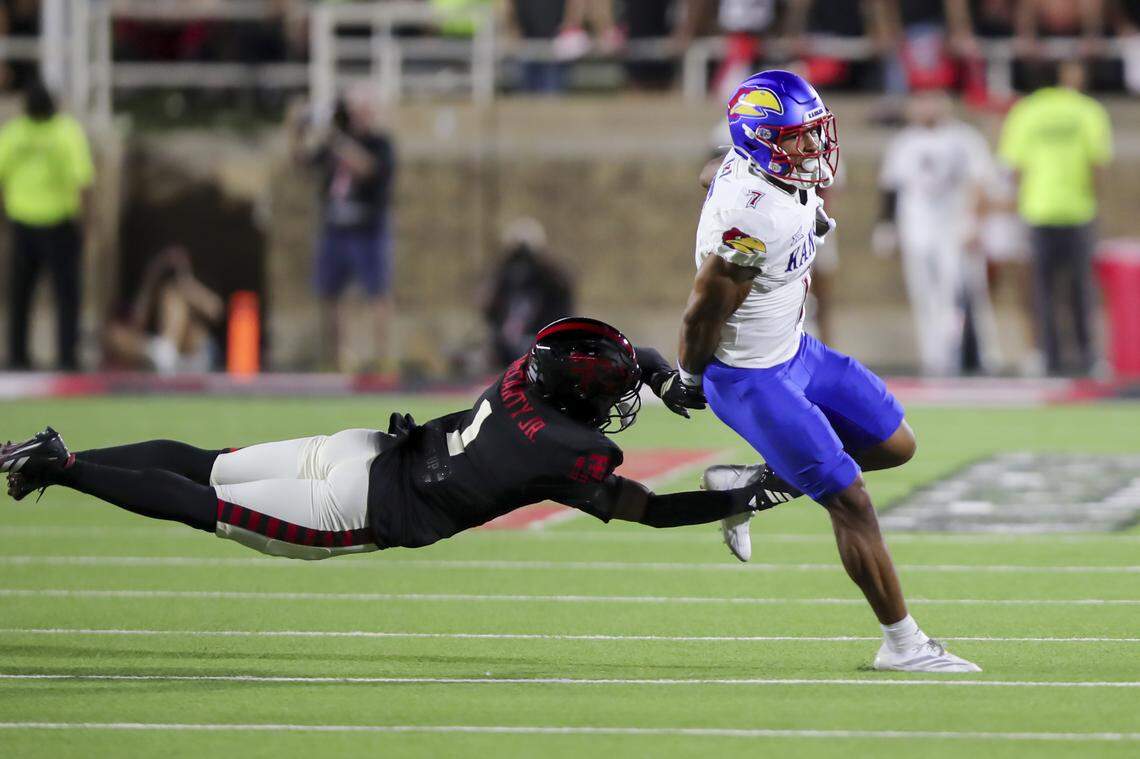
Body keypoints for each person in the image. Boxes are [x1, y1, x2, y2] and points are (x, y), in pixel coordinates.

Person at [3, 317, 785, 560]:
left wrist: (652, 370)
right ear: (581, 391)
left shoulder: (524, 373)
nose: (619, 398)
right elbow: (646, 511)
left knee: (207, 465)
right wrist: (748, 494)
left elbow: (614, 353)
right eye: (610, 388)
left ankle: (59, 448)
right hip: (354, 503)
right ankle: (64, 465)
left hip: (366, 450)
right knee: (202, 504)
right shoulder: (570, 451)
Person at [677, 70, 980, 672]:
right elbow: (701, 312)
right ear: (760, 140)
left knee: (895, 444)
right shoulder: (750, 222)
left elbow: (716, 171)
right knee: (852, 501)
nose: (814, 147)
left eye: (815, 132)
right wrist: (690, 379)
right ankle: (903, 644)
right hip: (751, 375)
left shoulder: (767, 171)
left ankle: (747, 486)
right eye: (797, 137)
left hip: (796, 350)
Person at [998, 59, 1111, 376]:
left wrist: (1023, 201)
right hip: (1078, 210)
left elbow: (1014, 167)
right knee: (1081, 289)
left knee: (1041, 290)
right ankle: (1089, 357)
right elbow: (1098, 164)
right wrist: (1091, 197)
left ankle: (1047, 356)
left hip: (1038, 210)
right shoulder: (1087, 110)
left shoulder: (1025, 111)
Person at [874, 90, 998, 376]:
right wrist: (886, 226)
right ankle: (934, 357)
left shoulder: (964, 139)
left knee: (958, 294)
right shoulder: (904, 142)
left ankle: (969, 356)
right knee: (923, 294)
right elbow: (891, 186)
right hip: (916, 228)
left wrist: (974, 224)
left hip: (953, 229)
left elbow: (980, 182)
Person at [289, 90, 396, 372]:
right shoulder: (334, 144)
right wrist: (297, 131)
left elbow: (368, 168)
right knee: (331, 293)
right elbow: (302, 162)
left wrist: (334, 137)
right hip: (335, 228)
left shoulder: (379, 143)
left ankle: (383, 359)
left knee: (378, 294)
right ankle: (338, 358)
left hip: (368, 229)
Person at [0, 79, 94, 371]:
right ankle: (67, 357)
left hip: (23, 222)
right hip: (59, 224)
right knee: (67, 296)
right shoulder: (66, 131)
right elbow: (83, 181)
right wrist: (86, 222)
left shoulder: (14, 133)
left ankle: (17, 357)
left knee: (20, 296)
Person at [102, 246, 224, 374]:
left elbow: (216, 311)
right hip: (161, 355)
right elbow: (136, 323)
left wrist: (185, 279)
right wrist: (152, 275)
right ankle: (163, 354)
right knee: (114, 334)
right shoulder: (151, 291)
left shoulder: (186, 288)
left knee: (171, 294)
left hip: (194, 353)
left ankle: (166, 352)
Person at [483, 218, 574, 369]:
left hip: (542, 342)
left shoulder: (550, 279)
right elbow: (488, 306)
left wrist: (541, 258)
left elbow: (563, 287)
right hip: (508, 344)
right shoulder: (506, 278)